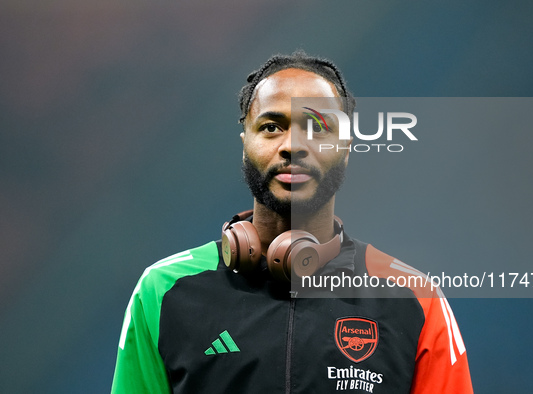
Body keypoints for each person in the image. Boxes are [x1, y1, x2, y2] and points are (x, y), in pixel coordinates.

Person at [111, 51, 473, 393]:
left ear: (345, 149)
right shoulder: (163, 291)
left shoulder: (414, 299)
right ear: (245, 144)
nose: (292, 145)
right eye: (271, 127)